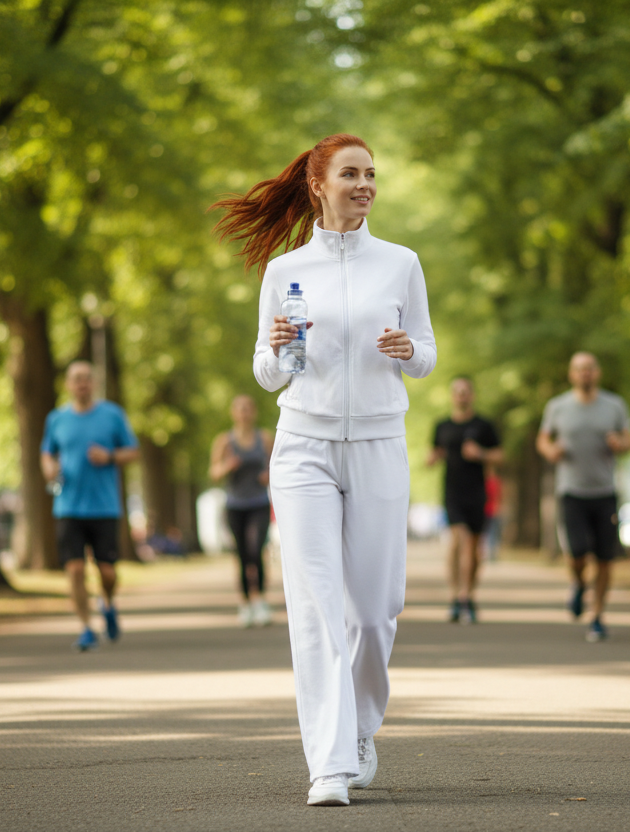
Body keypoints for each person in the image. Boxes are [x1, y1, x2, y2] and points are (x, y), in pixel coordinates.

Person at [213, 134, 436, 807]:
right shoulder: (285, 272)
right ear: (319, 185)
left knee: (374, 611)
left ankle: (362, 729)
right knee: (315, 609)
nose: (365, 184)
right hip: (303, 445)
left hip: (376, 444)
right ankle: (329, 764)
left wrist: (407, 350)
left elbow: (425, 353)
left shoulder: (401, 263)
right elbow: (267, 370)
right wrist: (279, 350)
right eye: (351, 174)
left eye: (371, 174)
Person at [40, 361, 140, 652]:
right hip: (68, 506)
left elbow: (133, 451)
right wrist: (48, 469)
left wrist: (108, 457)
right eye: (76, 379)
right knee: (74, 570)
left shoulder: (112, 414)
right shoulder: (57, 419)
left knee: (107, 572)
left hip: (105, 507)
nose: (81, 383)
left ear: (93, 383)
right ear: (68, 385)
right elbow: (47, 453)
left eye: (86, 378)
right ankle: (85, 627)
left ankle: (107, 602)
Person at [536, 352, 630, 642]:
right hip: (571, 492)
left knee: (604, 558)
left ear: (597, 373)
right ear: (571, 374)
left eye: (590, 369)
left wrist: (619, 443)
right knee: (577, 552)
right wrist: (551, 451)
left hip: (604, 491)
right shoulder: (558, 407)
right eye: (579, 369)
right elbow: (543, 439)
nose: (585, 373)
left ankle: (598, 616)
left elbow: (629, 441)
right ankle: (578, 583)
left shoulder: (614, 405)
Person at [426, 377, 503, 624]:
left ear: (472, 395)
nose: (461, 396)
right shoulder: (442, 426)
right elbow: (434, 452)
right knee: (458, 542)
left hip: (477, 492)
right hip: (452, 492)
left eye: (466, 392)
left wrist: (480, 453)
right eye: (457, 392)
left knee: (475, 548)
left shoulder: (483, 425)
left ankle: (468, 595)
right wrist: (431, 459)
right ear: (452, 396)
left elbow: (500, 455)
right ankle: (455, 596)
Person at [209, 394, 275, 628]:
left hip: (258, 502)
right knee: (241, 555)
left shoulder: (264, 438)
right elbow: (214, 473)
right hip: (235, 505)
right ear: (233, 413)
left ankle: (260, 601)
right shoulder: (224, 441)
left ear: (253, 412)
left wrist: (269, 475)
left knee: (257, 550)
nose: (244, 413)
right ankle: (246, 603)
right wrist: (227, 466)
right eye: (240, 409)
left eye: (248, 408)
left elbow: (277, 465)